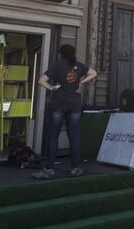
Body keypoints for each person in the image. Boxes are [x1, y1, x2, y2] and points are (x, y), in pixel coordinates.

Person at [33, 44, 97, 179]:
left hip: (58, 104)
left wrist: (51, 88)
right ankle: (76, 168)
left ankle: (49, 169)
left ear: (61, 54)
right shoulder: (79, 66)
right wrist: (81, 81)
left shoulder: (57, 66)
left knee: (53, 136)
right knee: (74, 136)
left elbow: (41, 81)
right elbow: (94, 73)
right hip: (75, 105)